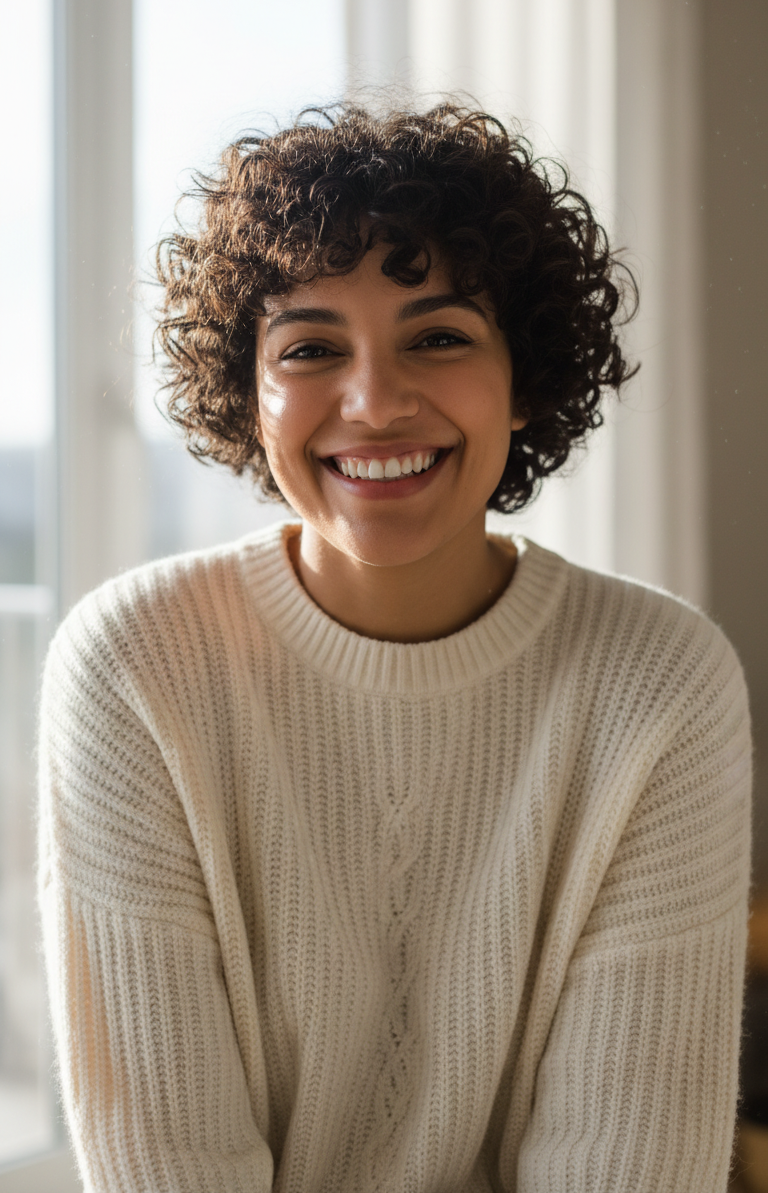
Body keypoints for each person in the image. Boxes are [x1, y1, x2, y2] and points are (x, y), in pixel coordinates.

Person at [38, 103, 751, 1193]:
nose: (374, 403)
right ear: (248, 392)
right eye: (313, 348)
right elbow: (168, 1166)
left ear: (525, 380)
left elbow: (627, 1163)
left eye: (440, 337)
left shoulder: (660, 678)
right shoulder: (136, 663)